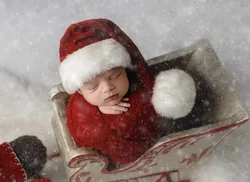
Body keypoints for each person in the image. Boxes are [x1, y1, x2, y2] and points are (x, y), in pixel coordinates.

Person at [59, 18, 196, 168]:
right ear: (79, 91)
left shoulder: (145, 92)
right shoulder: (79, 111)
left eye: (115, 76)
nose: (107, 88)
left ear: (125, 69)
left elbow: (159, 126)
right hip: (118, 162)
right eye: (93, 87)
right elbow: (84, 134)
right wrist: (96, 114)